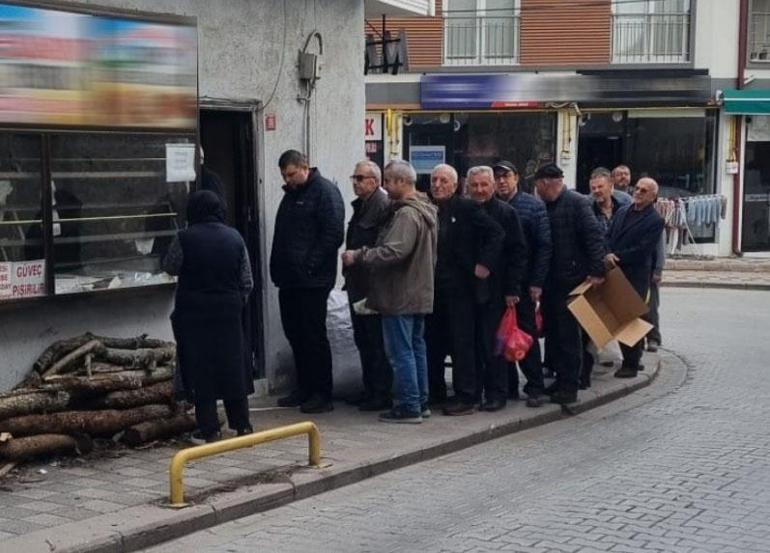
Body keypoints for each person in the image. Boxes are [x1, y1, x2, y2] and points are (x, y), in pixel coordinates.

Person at [341, 160, 437, 424]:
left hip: (401, 293)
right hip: (418, 291)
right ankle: (420, 401)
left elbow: (395, 251)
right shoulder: (424, 209)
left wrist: (360, 255)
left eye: (388, 181)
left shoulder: (407, 214)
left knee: (401, 352)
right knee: (416, 348)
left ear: (402, 182)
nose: (385, 186)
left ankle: (408, 406)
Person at [163, 190, 254, 443]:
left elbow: (170, 266)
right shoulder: (235, 237)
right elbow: (247, 281)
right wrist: (234, 302)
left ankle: (210, 429)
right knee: (232, 366)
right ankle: (243, 424)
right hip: (228, 312)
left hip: (194, 314)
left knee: (201, 370)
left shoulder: (185, 238)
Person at [270, 150, 345, 414]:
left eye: (290, 174)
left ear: (304, 167)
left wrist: (310, 265)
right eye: (283, 175)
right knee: (296, 334)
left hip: (312, 280)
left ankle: (321, 393)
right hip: (290, 280)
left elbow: (333, 233)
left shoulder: (324, 192)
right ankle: (304, 387)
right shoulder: (293, 195)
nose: (287, 179)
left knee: (313, 336)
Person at [426, 164, 504, 416]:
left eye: (443, 181)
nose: (438, 185)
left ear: (455, 185)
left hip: (461, 288)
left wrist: (484, 264)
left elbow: (496, 233)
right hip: (434, 287)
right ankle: (435, 391)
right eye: (434, 180)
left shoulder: (466, 207)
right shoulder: (429, 207)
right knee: (434, 342)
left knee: (462, 344)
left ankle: (467, 395)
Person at [536, 164, 606, 405]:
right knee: (554, 335)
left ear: (546, 183)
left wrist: (597, 271)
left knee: (569, 336)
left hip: (573, 282)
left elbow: (594, 237)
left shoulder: (577, 203)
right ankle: (560, 378)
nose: (537, 192)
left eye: (538, 187)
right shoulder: (547, 205)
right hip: (552, 281)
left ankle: (570, 385)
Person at [466, 166, 526, 412]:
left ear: (492, 186)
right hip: (469, 289)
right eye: (475, 186)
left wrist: (513, 288)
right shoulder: (465, 211)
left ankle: (497, 392)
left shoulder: (506, 213)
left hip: (497, 288)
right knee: (474, 343)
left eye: (484, 185)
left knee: (495, 344)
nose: (479, 190)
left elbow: (518, 253)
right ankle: (477, 389)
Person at [494, 160, 551, 407]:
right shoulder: (490, 206)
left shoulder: (533, 206)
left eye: (506, 176)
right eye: (497, 177)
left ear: (516, 178)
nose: (502, 181)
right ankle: (508, 387)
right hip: (497, 285)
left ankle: (535, 386)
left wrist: (537, 282)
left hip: (525, 284)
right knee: (502, 337)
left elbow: (544, 247)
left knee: (525, 336)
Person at [343, 160, 393, 411]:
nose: (356, 182)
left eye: (360, 178)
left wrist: (357, 256)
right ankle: (369, 388)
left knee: (376, 342)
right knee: (363, 339)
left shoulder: (381, 205)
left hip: (373, 285)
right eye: (355, 177)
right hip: (358, 283)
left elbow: (382, 246)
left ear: (374, 181)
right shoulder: (362, 206)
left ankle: (380, 392)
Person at [606, 177, 665, 378]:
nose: (638, 192)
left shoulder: (655, 220)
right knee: (619, 318)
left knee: (631, 320)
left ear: (653, 196)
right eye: (637, 188)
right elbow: (609, 235)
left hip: (635, 275)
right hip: (615, 271)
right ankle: (633, 357)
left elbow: (643, 249)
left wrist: (618, 257)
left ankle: (631, 364)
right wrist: (607, 252)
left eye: (644, 190)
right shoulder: (623, 211)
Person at [645, 231, 666, 352]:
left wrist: (658, 269)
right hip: (633, 269)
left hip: (650, 270)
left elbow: (660, 247)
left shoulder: (654, 219)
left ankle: (653, 338)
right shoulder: (625, 214)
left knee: (651, 306)